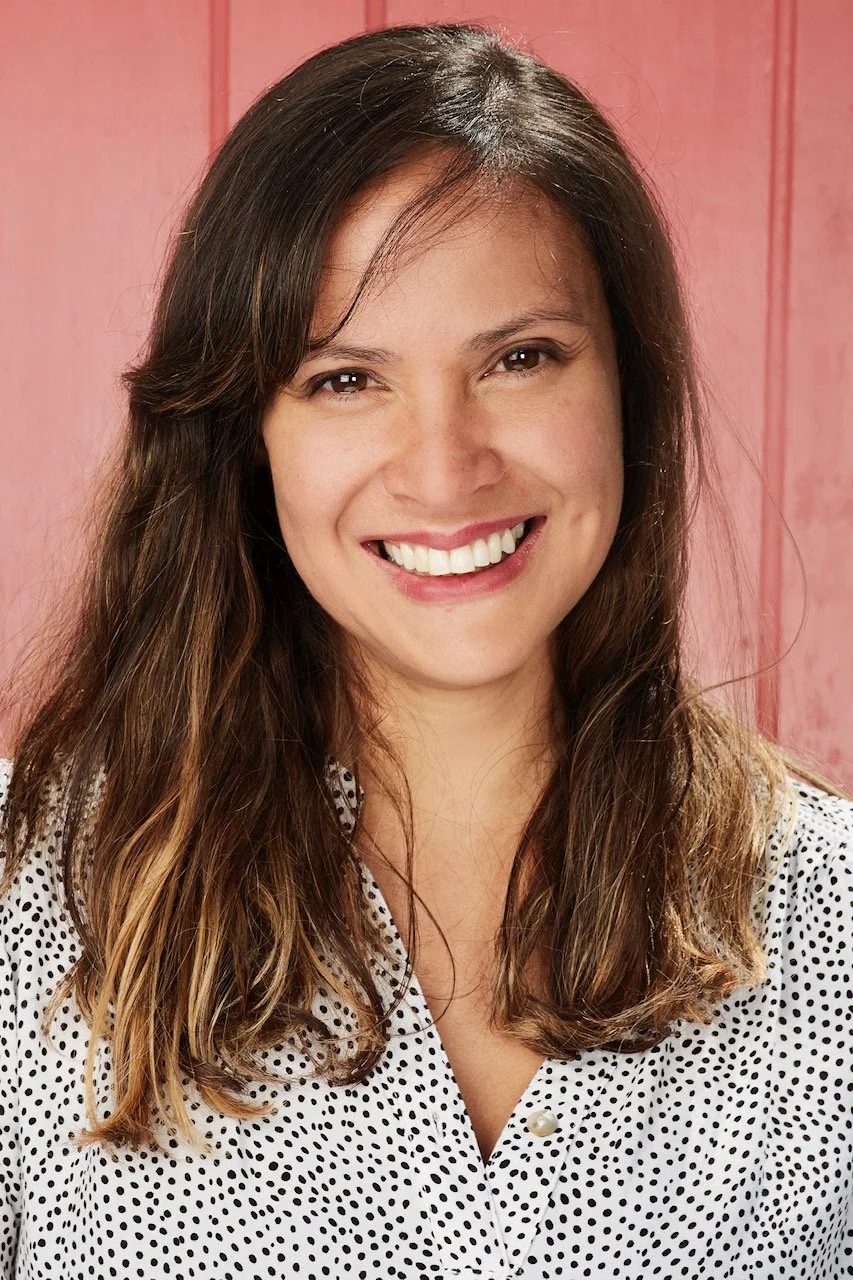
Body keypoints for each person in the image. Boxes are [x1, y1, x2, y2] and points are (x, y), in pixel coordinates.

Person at [1, 20, 851, 1280]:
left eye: (519, 358)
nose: (446, 468)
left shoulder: (832, 920)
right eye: (346, 379)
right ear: (246, 436)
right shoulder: (33, 896)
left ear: (629, 389)